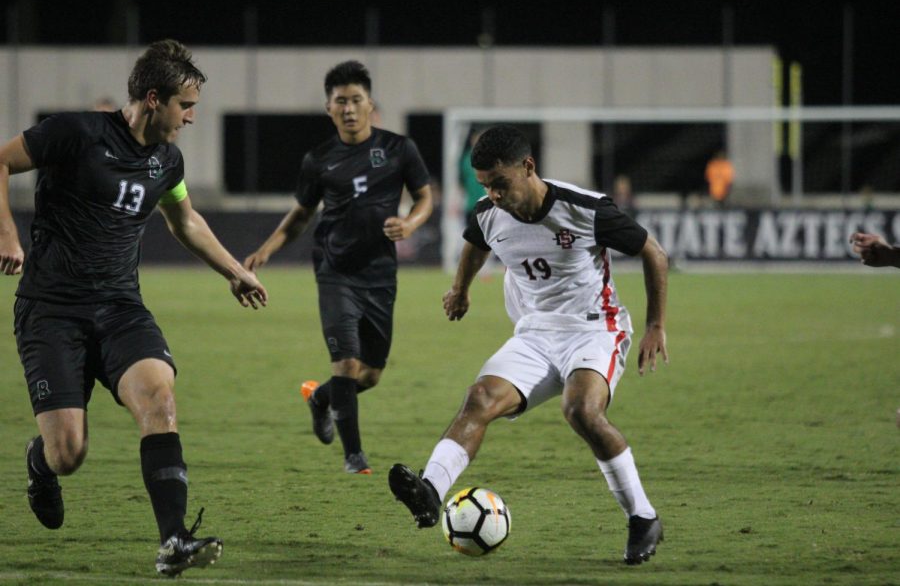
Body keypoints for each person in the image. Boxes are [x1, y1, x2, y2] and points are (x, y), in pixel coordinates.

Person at [0, 39, 268, 577]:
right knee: (67, 454)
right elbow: (0, 162)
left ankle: (173, 541)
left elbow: (185, 221)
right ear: (153, 99)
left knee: (160, 401)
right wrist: (8, 234)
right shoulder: (76, 133)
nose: (191, 117)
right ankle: (39, 460)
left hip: (121, 308)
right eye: (185, 105)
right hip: (51, 311)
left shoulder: (167, 160)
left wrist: (234, 271)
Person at [388, 125, 669, 565]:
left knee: (582, 411)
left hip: (594, 329)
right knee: (478, 399)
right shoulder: (488, 212)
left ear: (529, 167)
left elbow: (653, 252)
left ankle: (643, 517)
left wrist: (655, 325)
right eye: (486, 186)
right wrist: (460, 289)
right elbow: (475, 244)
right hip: (535, 334)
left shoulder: (584, 209)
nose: (494, 195)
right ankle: (430, 492)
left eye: (500, 183)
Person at [244, 60, 433, 475]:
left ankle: (321, 399)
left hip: (380, 274)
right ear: (329, 109)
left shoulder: (400, 149)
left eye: (356, 100)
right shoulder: (319, 160)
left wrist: (410, 222)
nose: (348, 108)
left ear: (369, 104)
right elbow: (299, 215)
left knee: (369, 375)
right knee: (346, 363)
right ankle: (355, 458)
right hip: (335, 270)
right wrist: (266, 250)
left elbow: (424, 197)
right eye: (340, 102)